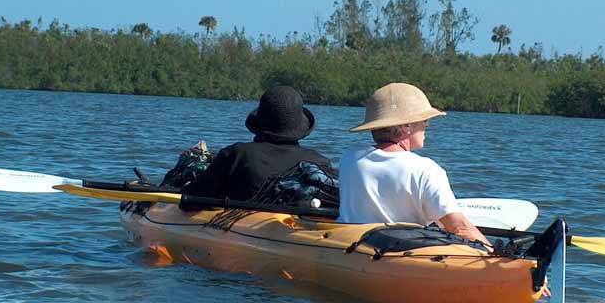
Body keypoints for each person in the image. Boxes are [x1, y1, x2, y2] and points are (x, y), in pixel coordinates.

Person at [337, 82, 491, 246]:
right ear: (406, 126)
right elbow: (459, 228)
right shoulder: (425, 170)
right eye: (424, 120)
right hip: (397, 252)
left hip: (349, 246)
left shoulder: (349, 158)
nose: (427, 125)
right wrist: (494, 251)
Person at [184, 85, 334, 201]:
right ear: (300, 127)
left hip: (244, 226)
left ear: (259, 123)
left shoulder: (237, 154)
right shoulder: (320, 162)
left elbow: (192, 199)